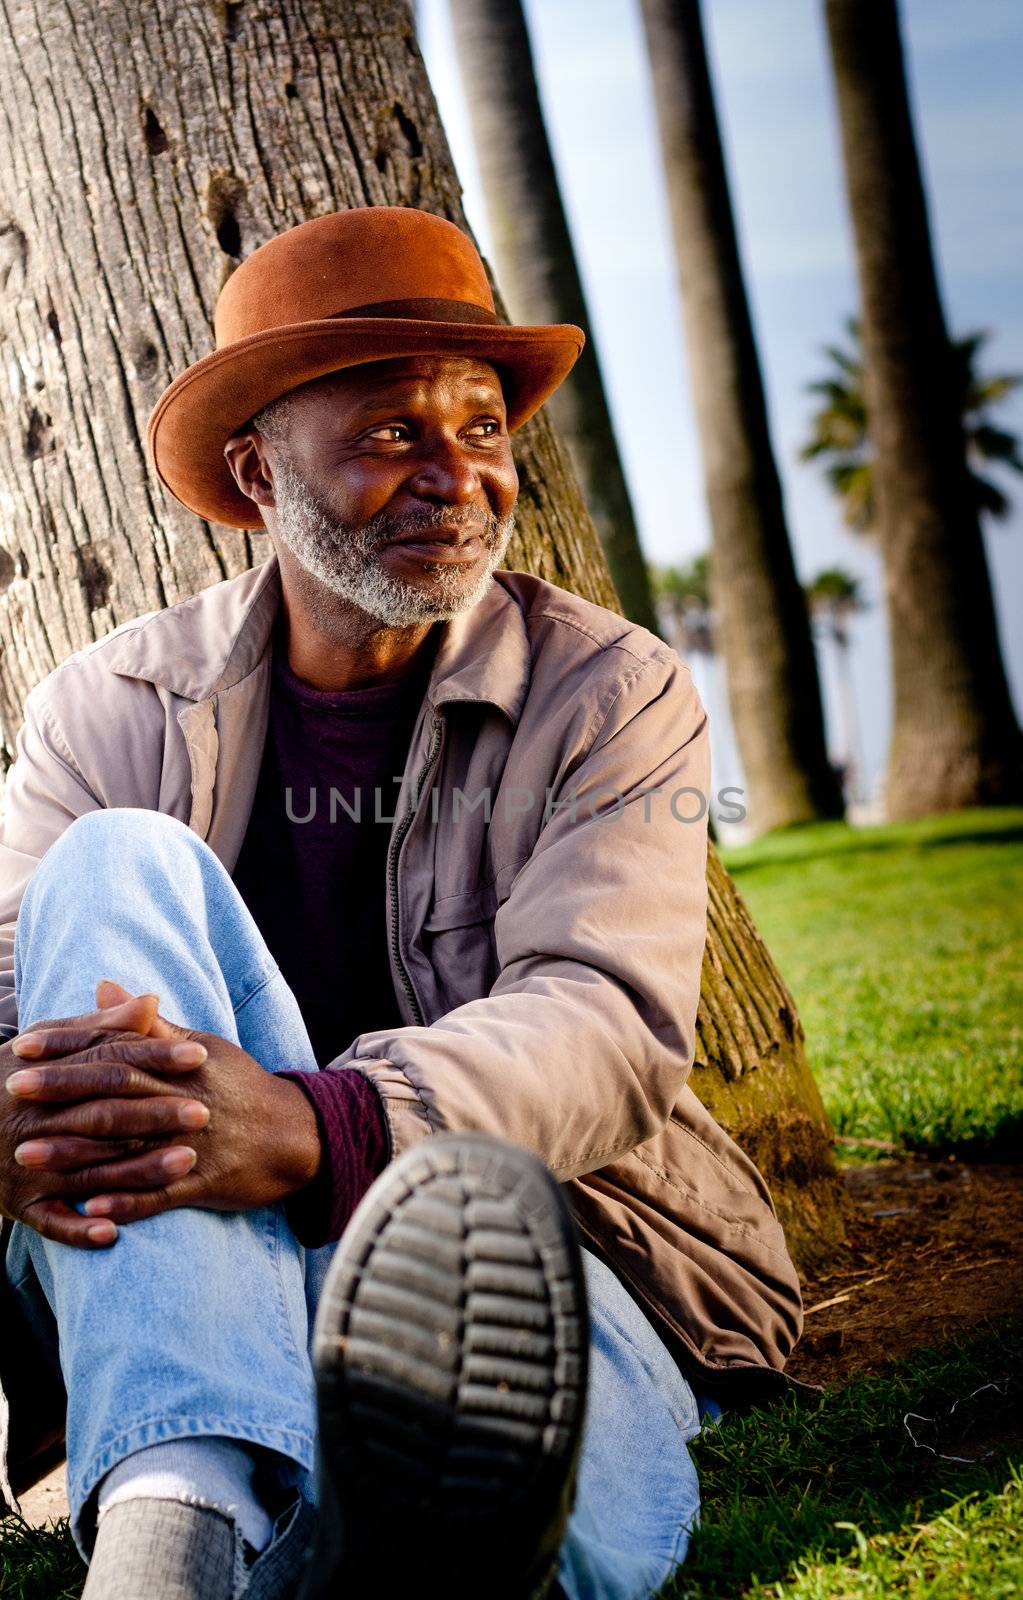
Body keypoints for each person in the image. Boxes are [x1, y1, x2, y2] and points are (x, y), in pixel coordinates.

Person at [0, 207, 802, 1600]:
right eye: (390, 435)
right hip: (167, 1241)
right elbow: (21, 995)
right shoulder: (107, 703)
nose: (459, 477)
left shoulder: (611, 693)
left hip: (521, 1231)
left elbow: (601, 1020)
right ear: (257, 475)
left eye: (482, 428)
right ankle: (181, 1528)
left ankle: (193, 1538)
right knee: (117, 869)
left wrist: (320, 1126)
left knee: (509, 1433)